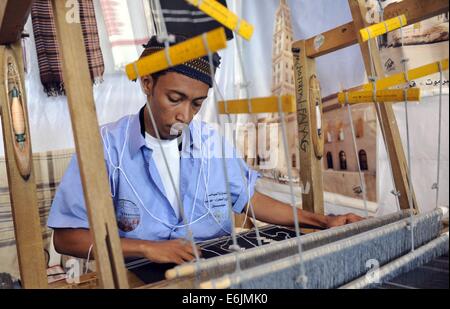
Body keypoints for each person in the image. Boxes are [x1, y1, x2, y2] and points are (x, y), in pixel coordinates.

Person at [48, 36, 363, 265]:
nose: (185, 115)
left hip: (216, 268)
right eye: (175, 98)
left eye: (197, 103)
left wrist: (322, 221)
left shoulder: (213, 143)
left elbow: (251, 200)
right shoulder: (105, 148)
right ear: (147, 83)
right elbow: (65, 238)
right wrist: (146, 248)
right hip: (144, 276)